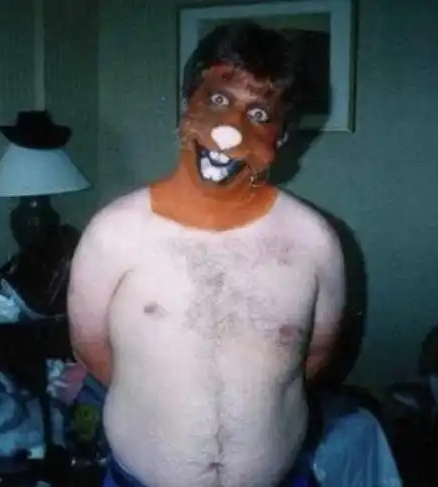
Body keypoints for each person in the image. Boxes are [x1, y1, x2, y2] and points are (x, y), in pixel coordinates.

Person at [67, 21, 346, 487]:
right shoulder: (112, 234)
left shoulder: (315, 241)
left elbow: (313, 359)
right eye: (217, 100)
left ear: (281, 137)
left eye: (260, 114)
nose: (230, 132)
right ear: (185, 107)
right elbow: (90, 350)